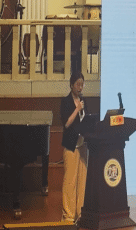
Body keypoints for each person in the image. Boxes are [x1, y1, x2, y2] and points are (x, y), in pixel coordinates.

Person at [60, 72, 88, 223]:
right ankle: (68, 216)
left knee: (82, 181)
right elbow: (66, 123)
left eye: (82, 84)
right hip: (71, 145)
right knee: (70, 181)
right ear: (71, 85)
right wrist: (77, 109)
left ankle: (80, 213)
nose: (80, 87)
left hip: (83, 144)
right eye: (78, 84)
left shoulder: (83, 100)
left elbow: (86, 120)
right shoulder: (65, 101)